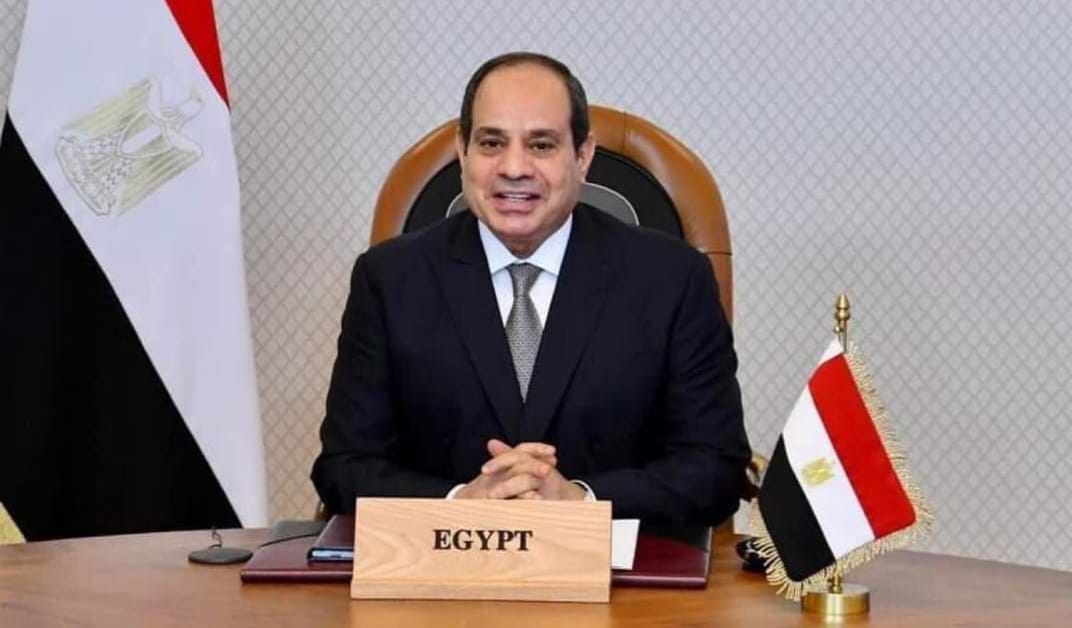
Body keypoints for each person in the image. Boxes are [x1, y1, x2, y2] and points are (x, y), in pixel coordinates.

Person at [312, 52, 750, 523]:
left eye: (541, 145)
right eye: (491, 143)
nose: (514, 167)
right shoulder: (390, 279)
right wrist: (460, 503)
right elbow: (343, 467)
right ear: (463, 152)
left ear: (582, 156)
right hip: (445, 560)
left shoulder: (672, 279)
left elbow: (715, 467)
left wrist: (582, 503)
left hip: (618, 565)